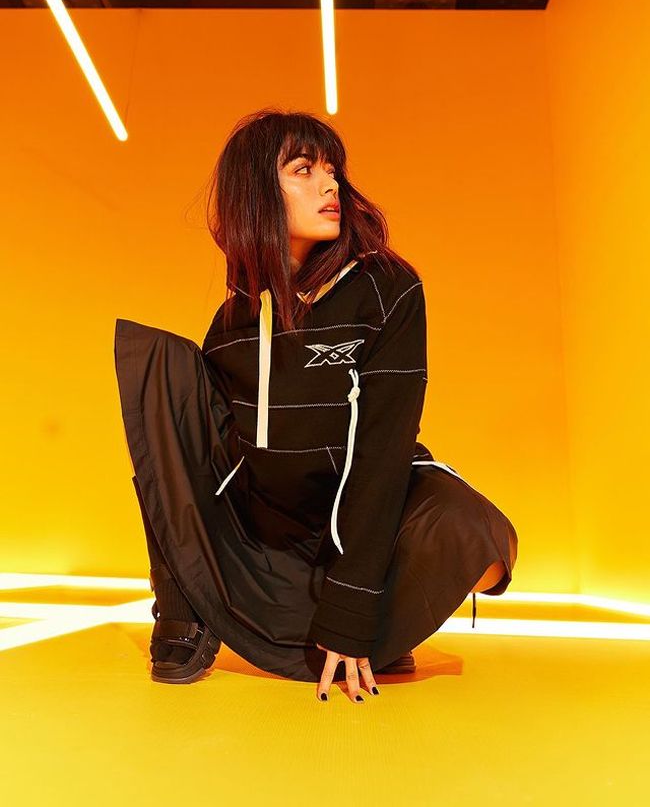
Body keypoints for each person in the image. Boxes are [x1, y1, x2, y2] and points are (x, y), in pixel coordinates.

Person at [114, 108, 518, 704]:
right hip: (269, 538)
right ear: (256, 191)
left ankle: (380, 620)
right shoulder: (232, 322)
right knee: (161, 370)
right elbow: (200, 463)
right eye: (304, 169)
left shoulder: (387, 288)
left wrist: (354, 603)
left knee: (472, 535)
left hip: (359, 520)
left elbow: (383, 453)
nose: (330, 184)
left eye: (333, 170)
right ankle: (182, 608)